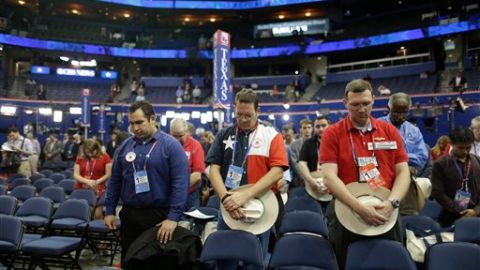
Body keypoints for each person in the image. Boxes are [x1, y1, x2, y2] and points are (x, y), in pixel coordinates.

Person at [320, 79, 410, 268]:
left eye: (366, 103)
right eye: (355, 105)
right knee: (346, 263)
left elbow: (403, 172)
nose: (361, 109)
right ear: (345, 103)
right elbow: (329, 176)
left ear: (374, 100)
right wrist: (359, 208)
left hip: (385, 209)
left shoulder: (389, 131)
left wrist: (392, 203)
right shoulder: (333, 133)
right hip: (346, 210)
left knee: (390, 262)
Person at [206, 88, 289, 262]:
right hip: (228, 205)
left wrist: (246, 195)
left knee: (255, 259)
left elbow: (277, 171)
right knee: (225, 259)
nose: (242, 120)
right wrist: (225, 199)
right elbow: (213, 169)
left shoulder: (271, 135)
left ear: (258, 111)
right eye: (238, 115)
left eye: (248, 115)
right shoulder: (224, 134)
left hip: (260, 205)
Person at [104, 101, 190, 265]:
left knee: (154, 263)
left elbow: (181, 183)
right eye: (131, 123)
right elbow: (115, 180)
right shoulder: (125, 147)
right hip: (130, 215)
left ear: (152, 119)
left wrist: (173, 218)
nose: (135, 128)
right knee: (130, 261)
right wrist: (109, 210)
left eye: (139, 122)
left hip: (158, 218)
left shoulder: (171, 146)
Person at [379, 92, 429, 215]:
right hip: (381, 181)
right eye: (396, 112)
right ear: (388, 108)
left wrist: (397, 155)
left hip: (407, 182)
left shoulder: (414, 131)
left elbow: (421, 158)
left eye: (404, 112)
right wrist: (405, 158)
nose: (400, 116)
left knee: (406, 217)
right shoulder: (377, 126)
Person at [431, 128, 480, 227]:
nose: (465, 151)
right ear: (452, 144)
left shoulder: (478, 161)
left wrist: (476, 211)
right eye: (461, 148)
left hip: (476, 213)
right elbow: (437, 192)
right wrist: (461, 210)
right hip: (450, 215)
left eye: (468, 147)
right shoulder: (440, 164)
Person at [170, 118, 205, 210]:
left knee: (190, 220)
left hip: (189, 194)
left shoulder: (195, 145)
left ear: (186, 132)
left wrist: (178, 188)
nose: (177, 139)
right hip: (169, 194)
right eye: (174, 136)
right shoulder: (166, 145)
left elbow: (197, 175)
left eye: (180, 136)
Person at [73, 139, 112, 219]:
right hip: (82, 188)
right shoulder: (80, 158)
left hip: (99, 188)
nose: (89, 154)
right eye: (87, 152)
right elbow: (76, 175)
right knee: (82, 213)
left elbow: (108, 174)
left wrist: (97, 181)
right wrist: (87, 181)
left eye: (92, 152)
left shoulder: (105, 157)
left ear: (97, 149)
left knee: (97, 215)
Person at [289, 119, 313, 187]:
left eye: (309, 127)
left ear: (312, 129)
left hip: (316, 177)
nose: (307, 130)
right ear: (300, 130)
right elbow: (295, 164)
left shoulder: (317, 143)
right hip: (300, 181)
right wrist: (307, 178)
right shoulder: (294, 145)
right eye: (304, 128)